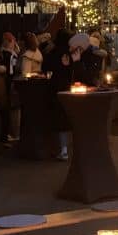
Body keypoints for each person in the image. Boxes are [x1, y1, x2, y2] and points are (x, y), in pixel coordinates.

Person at [43, 29, 74, 160]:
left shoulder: (53, 52)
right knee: (65, 118)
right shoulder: (70, 53)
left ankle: (59, 149)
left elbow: (45, 67)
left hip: (55, 87)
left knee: (57, 118)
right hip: (68, 87)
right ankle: (65, 148)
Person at [0, 32, 21, 141]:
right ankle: (8, 133)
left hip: (7, 82)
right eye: (13, 41)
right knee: (9, 108)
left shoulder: (4, 53)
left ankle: (8, 132)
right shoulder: (10, 55)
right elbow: (11, 70)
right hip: (9, 82)